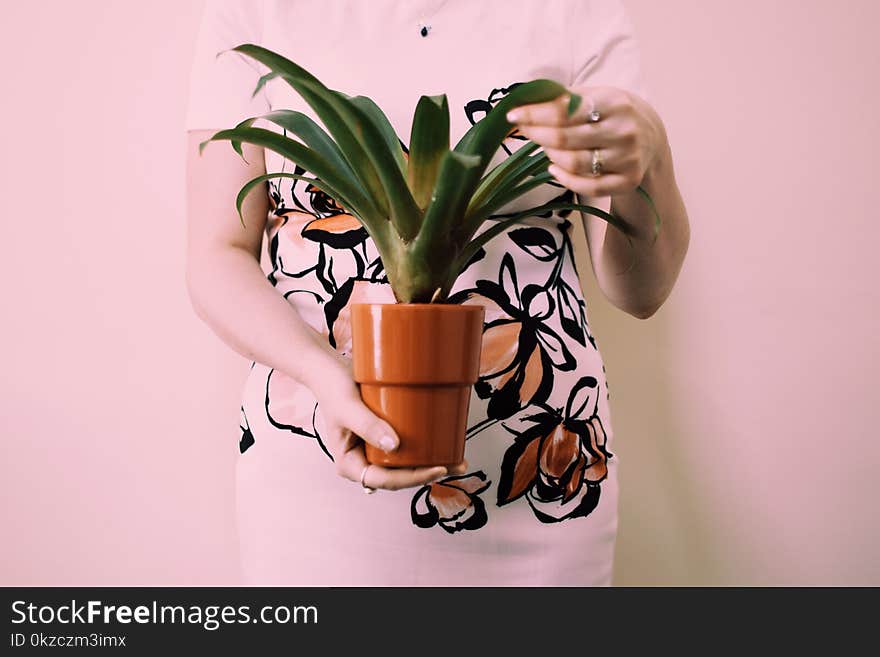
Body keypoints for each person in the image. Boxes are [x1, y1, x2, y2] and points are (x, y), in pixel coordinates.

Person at [184, 0, 690, 586]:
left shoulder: (576, 13)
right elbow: (216, 257)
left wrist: (649, 154)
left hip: (539, 463)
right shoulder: (254, 10)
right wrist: (325, 376)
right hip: (320, 452)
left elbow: (639, 291)